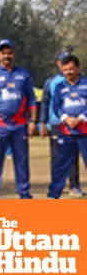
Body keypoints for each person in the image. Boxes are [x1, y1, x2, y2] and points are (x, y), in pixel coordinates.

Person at [0, 39, 37, 210]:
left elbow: (32, 100)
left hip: (20, 126)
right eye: (3, 53)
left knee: (22, 161)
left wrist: (33, 121)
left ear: (14, 54)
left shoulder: (24, 75)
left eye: (9, 52)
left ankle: (24, 194)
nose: (7, 56)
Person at [40, 50, 83, 197]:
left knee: (74, 157)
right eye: (62, 62)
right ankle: (56, 186)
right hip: (57, 123)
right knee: (57, 157)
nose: (67, 69)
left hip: (80, 125)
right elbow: (46, 103)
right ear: (58, 64)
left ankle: (74, 185)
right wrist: (43, 122)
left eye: (69, 64)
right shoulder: (51, 82)